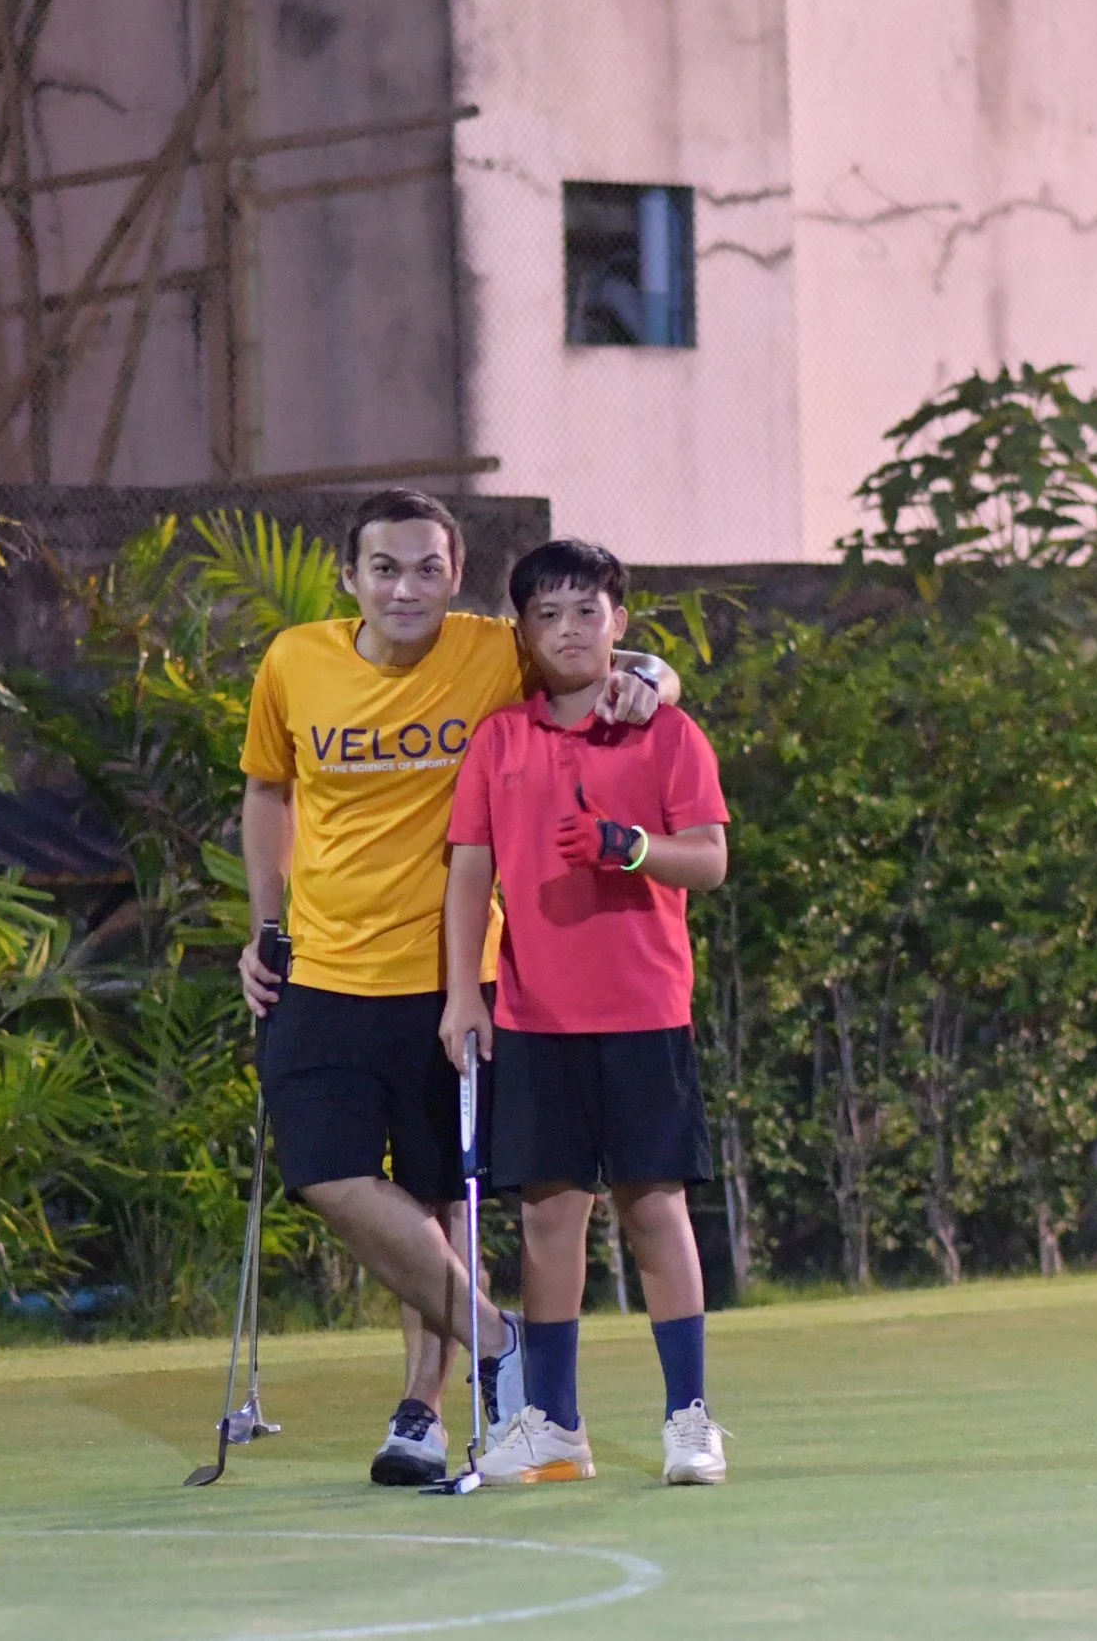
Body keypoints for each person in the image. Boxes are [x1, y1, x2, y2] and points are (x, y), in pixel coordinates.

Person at [237, 491, 683, 1485]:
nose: (405, 587)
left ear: (455, 575)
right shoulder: (294, 661)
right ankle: (497, 1341)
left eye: (427, 568)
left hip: (458, 978)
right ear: (348, 578)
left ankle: (420, 1415)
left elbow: (604, 660)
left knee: (442, 1199)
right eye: (384, 568)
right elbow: (268, 790)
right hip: (321, 968)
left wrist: (654, 675)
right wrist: (264, 923)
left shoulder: (493, 651)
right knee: (326, 1173)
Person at [438, 538, 732, 1487]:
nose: (569, 630)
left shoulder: (667, 734)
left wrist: (630, 845)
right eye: (549, 615)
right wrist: (461, 993)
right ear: (523, 631)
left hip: (645, 1008)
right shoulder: (500, 741)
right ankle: (556, 1422)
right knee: (549, 1220)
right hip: (533, 1016)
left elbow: (709, 857)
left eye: (588, 611)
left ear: (621, 622)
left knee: (655, 1207)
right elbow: (469, 871)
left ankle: (690, 1419)